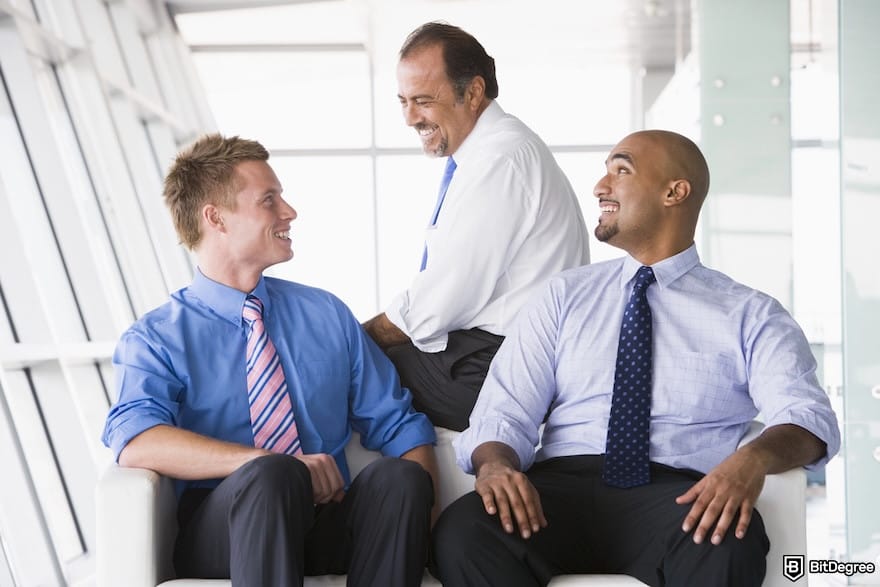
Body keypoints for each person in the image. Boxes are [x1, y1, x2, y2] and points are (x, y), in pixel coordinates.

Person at [431, 130, 841, 586]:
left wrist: (752, 460)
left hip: (679, 498)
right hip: (559, 491)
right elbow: (503, 412)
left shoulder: (750, 313)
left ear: (674, 192)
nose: (600, 187)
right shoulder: (564, 297)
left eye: (620, 170)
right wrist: (495, 464)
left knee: (727, 540)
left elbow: (807, 417)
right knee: (465, 531)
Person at [102, 134, 438, 587]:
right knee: (271, 474)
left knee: (402, 480)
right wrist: (261, 461)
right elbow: (137, 439)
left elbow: (399, 425)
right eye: (269, 200)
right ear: (216, 217)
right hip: (226, 530)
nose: (289, 212)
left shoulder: (325, 314)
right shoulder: (156, 337)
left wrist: (425, 520)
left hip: (328, 518)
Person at [362, 22, 590, 432]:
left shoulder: (500, 160)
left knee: (349, 370)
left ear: (473, 92)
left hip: (497, 372)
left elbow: (438, 303)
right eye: (403, 101)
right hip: (504, 358)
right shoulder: (495, 150)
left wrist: (357, 337)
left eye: (424, 101)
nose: (411, 118)